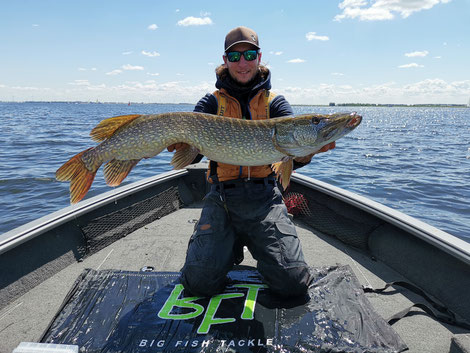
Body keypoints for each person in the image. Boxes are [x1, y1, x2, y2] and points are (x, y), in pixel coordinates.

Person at [167, 26, 335, 298]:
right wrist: (180, 143)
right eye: (235, 56)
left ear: (259, 57)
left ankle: (243, 243)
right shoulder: (211, 103)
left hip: (265, 200)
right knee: (198, 284)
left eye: (249, 55)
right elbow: (193, 154)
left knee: (293, 284)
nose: (242, 63)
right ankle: (217, 243)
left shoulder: (276, 104)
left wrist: (308, 151)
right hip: (221, 198)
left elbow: (291, 158)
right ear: (225, 61)